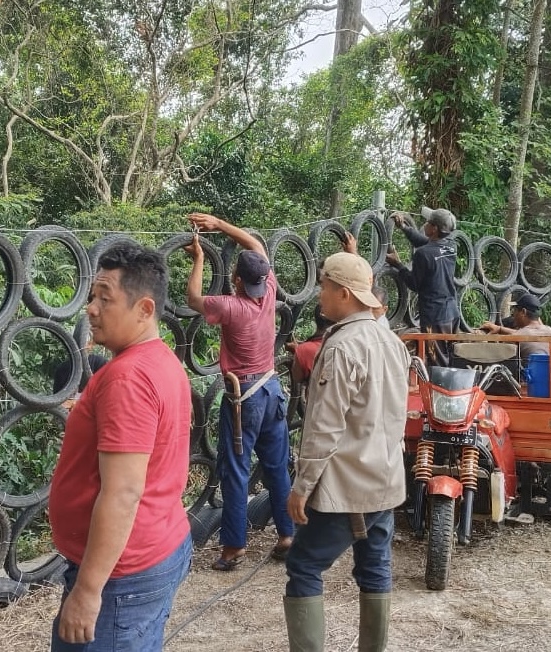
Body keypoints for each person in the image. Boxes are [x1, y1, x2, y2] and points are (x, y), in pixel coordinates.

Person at [48, 243, 192, 651]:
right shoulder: (160, 360)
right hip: (156, 547)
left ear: (144, 309)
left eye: (105, 299)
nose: (91, 308)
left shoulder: (127, 379)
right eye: (93, 296)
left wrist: (89, 590)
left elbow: (123, 492)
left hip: (120, 577)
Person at [283, 252, 410, 652]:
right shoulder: (392, 341)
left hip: (346, 488)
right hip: (385, 482)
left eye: (323, 287)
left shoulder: (341, 348)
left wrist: (302, 486)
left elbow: (324, 427)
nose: (319, 295)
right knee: (375, 568)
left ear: (343, 293)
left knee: (303, 566)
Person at [184, 212, 294, 570]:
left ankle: (233, 548)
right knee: (277, 467)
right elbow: (256, 246)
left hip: (242, 398)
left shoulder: (229, 306)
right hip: (272, 390)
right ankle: (288, 535)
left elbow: (193, 298)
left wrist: (200, 257)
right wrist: (221, 224)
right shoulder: (270, 293)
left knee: (235, 470)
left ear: (235, 280)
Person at [385, 207, 459, 365]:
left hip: (434, 316)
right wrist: (405, 228)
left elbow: (414, 284)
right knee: (449, 356)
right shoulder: (451, 247)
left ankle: (438, 389)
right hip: (451, 313)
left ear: (434, 229)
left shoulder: (423, 254)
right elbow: (425, 242)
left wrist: (398, 264)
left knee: (436, 360)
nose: (425, 224)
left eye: (428, 222)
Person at [479, 294, 551, 357]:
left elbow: (497, 355)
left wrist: (482, 340)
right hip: (549, 374)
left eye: (515, 311)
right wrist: (499, 329)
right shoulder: (550, 331)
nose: (513, 315)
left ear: (523, 312)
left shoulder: (519, 336)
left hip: (529, 374)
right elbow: (527, 333)